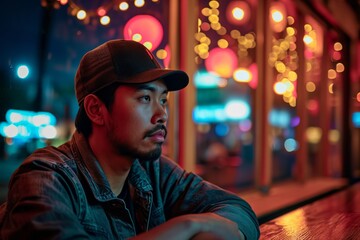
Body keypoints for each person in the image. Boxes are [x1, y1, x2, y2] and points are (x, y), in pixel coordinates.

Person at [0, 39, 260, 239]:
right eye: (145, 98)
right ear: (95, 110)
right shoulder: (45, 177)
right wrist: (188, 225)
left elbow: (238, 209)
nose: (161, 115)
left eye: (163, 100)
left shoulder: (152, 171)